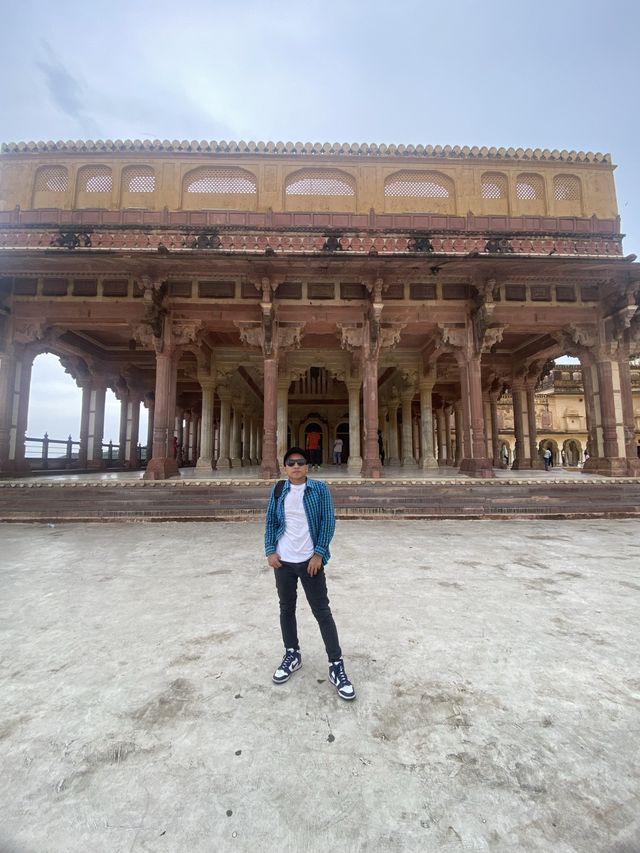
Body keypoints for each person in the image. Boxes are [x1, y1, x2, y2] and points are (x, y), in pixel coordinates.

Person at [265, 447, 355, 701]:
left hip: (309, 561)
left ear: (307, 467)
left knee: (322, 612)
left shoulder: (319, 489)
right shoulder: (278, 489)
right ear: (285, 468)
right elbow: (271, 520)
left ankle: (336, 665)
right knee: (286, 608)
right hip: (284, 561)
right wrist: (270, 550)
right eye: (291, 463)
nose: (295, 466)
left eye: (300, 463)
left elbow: (328, 521)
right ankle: (292, 654)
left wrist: (319, 553)